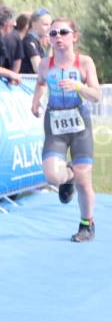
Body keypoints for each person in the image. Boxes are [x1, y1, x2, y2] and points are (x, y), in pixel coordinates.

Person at [31, 18, 100, 242]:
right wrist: (36, 100)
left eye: (63, 32)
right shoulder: (44, 64)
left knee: (84, 180)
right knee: (52, 176)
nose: (58, 37)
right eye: (53, 33)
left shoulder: (85, 62)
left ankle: (86, 225)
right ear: (49, 39)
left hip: (80, 126)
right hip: (55, 125)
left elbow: (96, 95)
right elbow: (40, 82)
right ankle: (68, 176)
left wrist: (79, 86)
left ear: (74, 36)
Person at [20, 9, 52, 76]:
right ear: (34, 25)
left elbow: (48, 66)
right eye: (45, 25)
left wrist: (50, 47)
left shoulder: (36, 41)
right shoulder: (30, 41)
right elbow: (38, 69)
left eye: (50, 25)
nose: (49, 28)